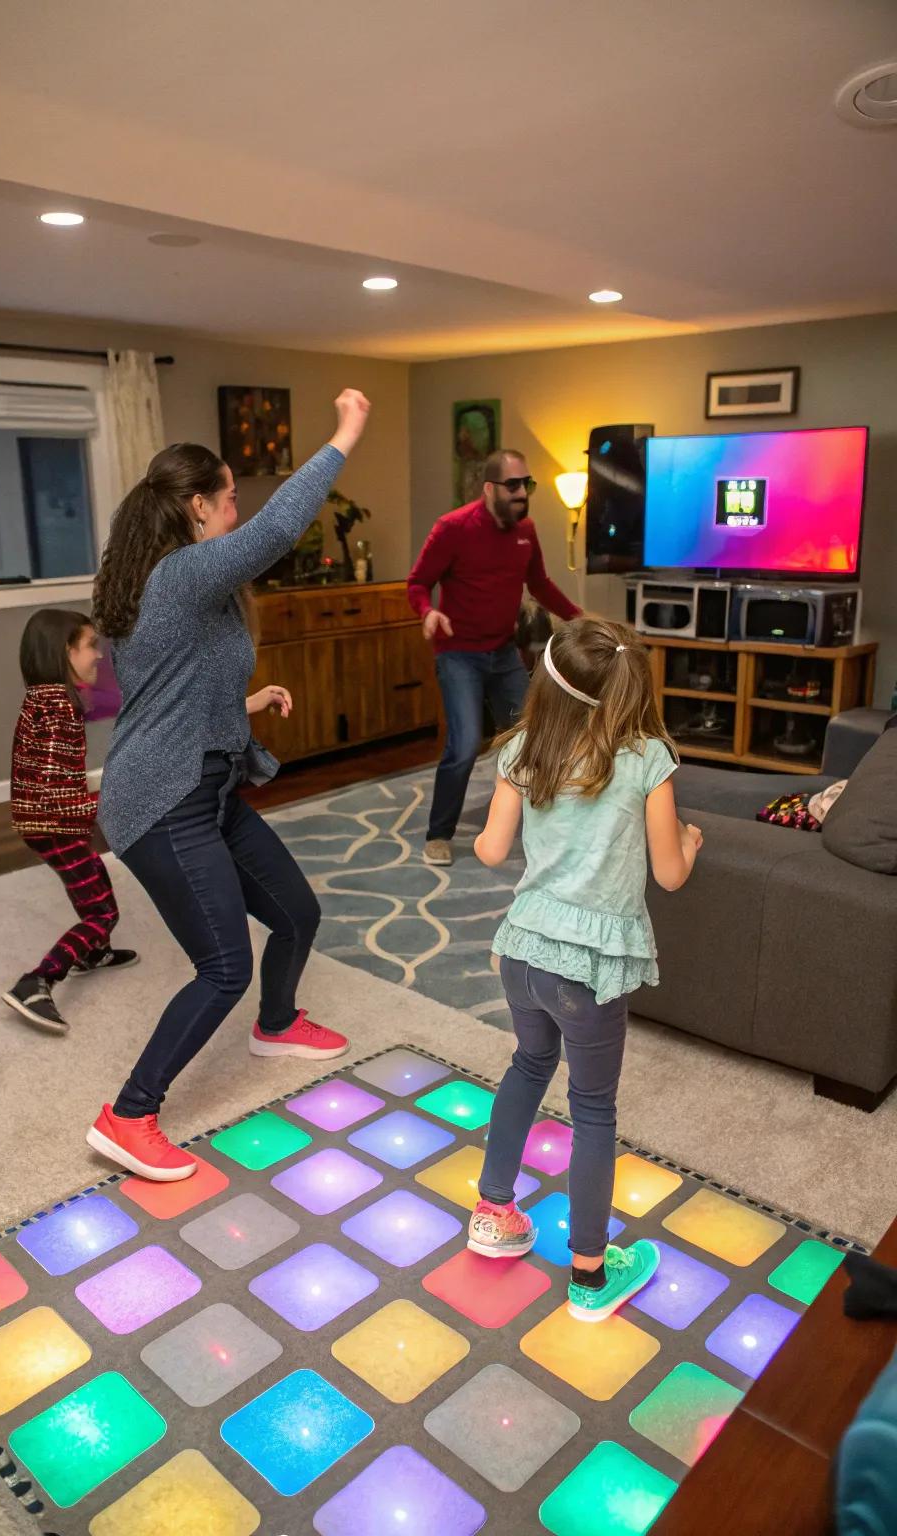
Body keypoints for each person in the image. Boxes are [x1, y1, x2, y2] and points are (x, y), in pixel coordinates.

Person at [86, 389, 371, 1182]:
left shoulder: (173, 583)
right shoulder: (177, 577)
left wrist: (243, 702)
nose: (238, 510)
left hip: (202, 786)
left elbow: (164, 684)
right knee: (222, 965)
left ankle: (275, 1025)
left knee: (296, 912)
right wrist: (345, 432)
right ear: (196, 507)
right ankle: (129, 1112)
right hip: (159, 801)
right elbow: (283, 528)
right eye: (230, 497)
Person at [466, 617, 703, 1322]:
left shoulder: (523, 751)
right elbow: (669, 876)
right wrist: (689, 842)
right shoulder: (648, 761)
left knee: (527, 1067)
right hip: (589, 971)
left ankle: (493, 1212)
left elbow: (488, 850)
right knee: (593, 1109)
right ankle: (592, 1278)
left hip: (523, 950)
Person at [407, 448, 581, 867]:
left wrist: (579, 620)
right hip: (459, 655)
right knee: (465, 746)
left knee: (535, 735)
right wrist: (427, 613)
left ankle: (549, 825)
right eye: (514, 485)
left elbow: (538, 583)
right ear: (489, 488)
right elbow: (418, 583)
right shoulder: (453, 528)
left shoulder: (526, 530)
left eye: (528, 484)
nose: (523, 493)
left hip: (503, 653)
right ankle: (439, 833)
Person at [3, 610, 137, 1034]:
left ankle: (92, 954)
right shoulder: (60, 706)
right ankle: (37, 981)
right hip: (52, 823)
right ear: (66, 651)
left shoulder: (43, 696)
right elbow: (50, 783)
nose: (98, 655)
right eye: (90, 645)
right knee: (101, 912)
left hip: (40, 822)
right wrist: (100, 804)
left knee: (93, 877)